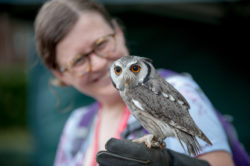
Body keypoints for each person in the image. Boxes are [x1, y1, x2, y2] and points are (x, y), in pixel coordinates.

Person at [34, 0, 236, 165]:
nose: (97, 63)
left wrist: (172, 163)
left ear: (119, 33)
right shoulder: (76, 127)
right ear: (61, 75)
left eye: (101, 44)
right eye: (78, 60)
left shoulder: (177, 89)